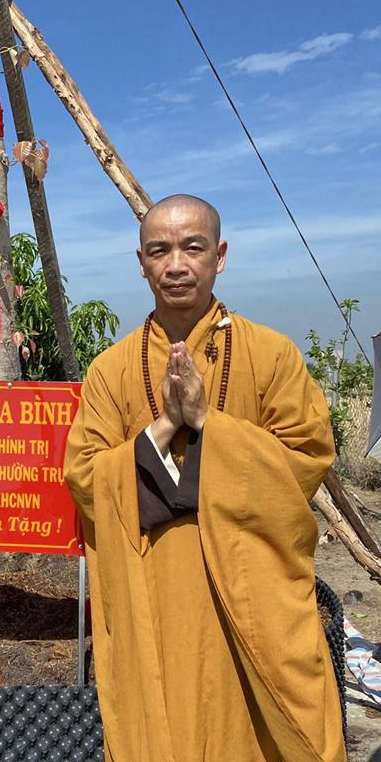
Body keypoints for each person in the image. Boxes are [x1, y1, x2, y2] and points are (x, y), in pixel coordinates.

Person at [64, 194, 345, 761]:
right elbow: (86, 476)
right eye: (159, 251)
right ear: (141, 263)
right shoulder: (110, 370)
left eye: (192, 248)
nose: (176, 265)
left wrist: (207, 423)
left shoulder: (272, 356)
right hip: (156, 591)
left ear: (220, 256)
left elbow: (308, 457)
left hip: (255, 586)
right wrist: (166, 425)